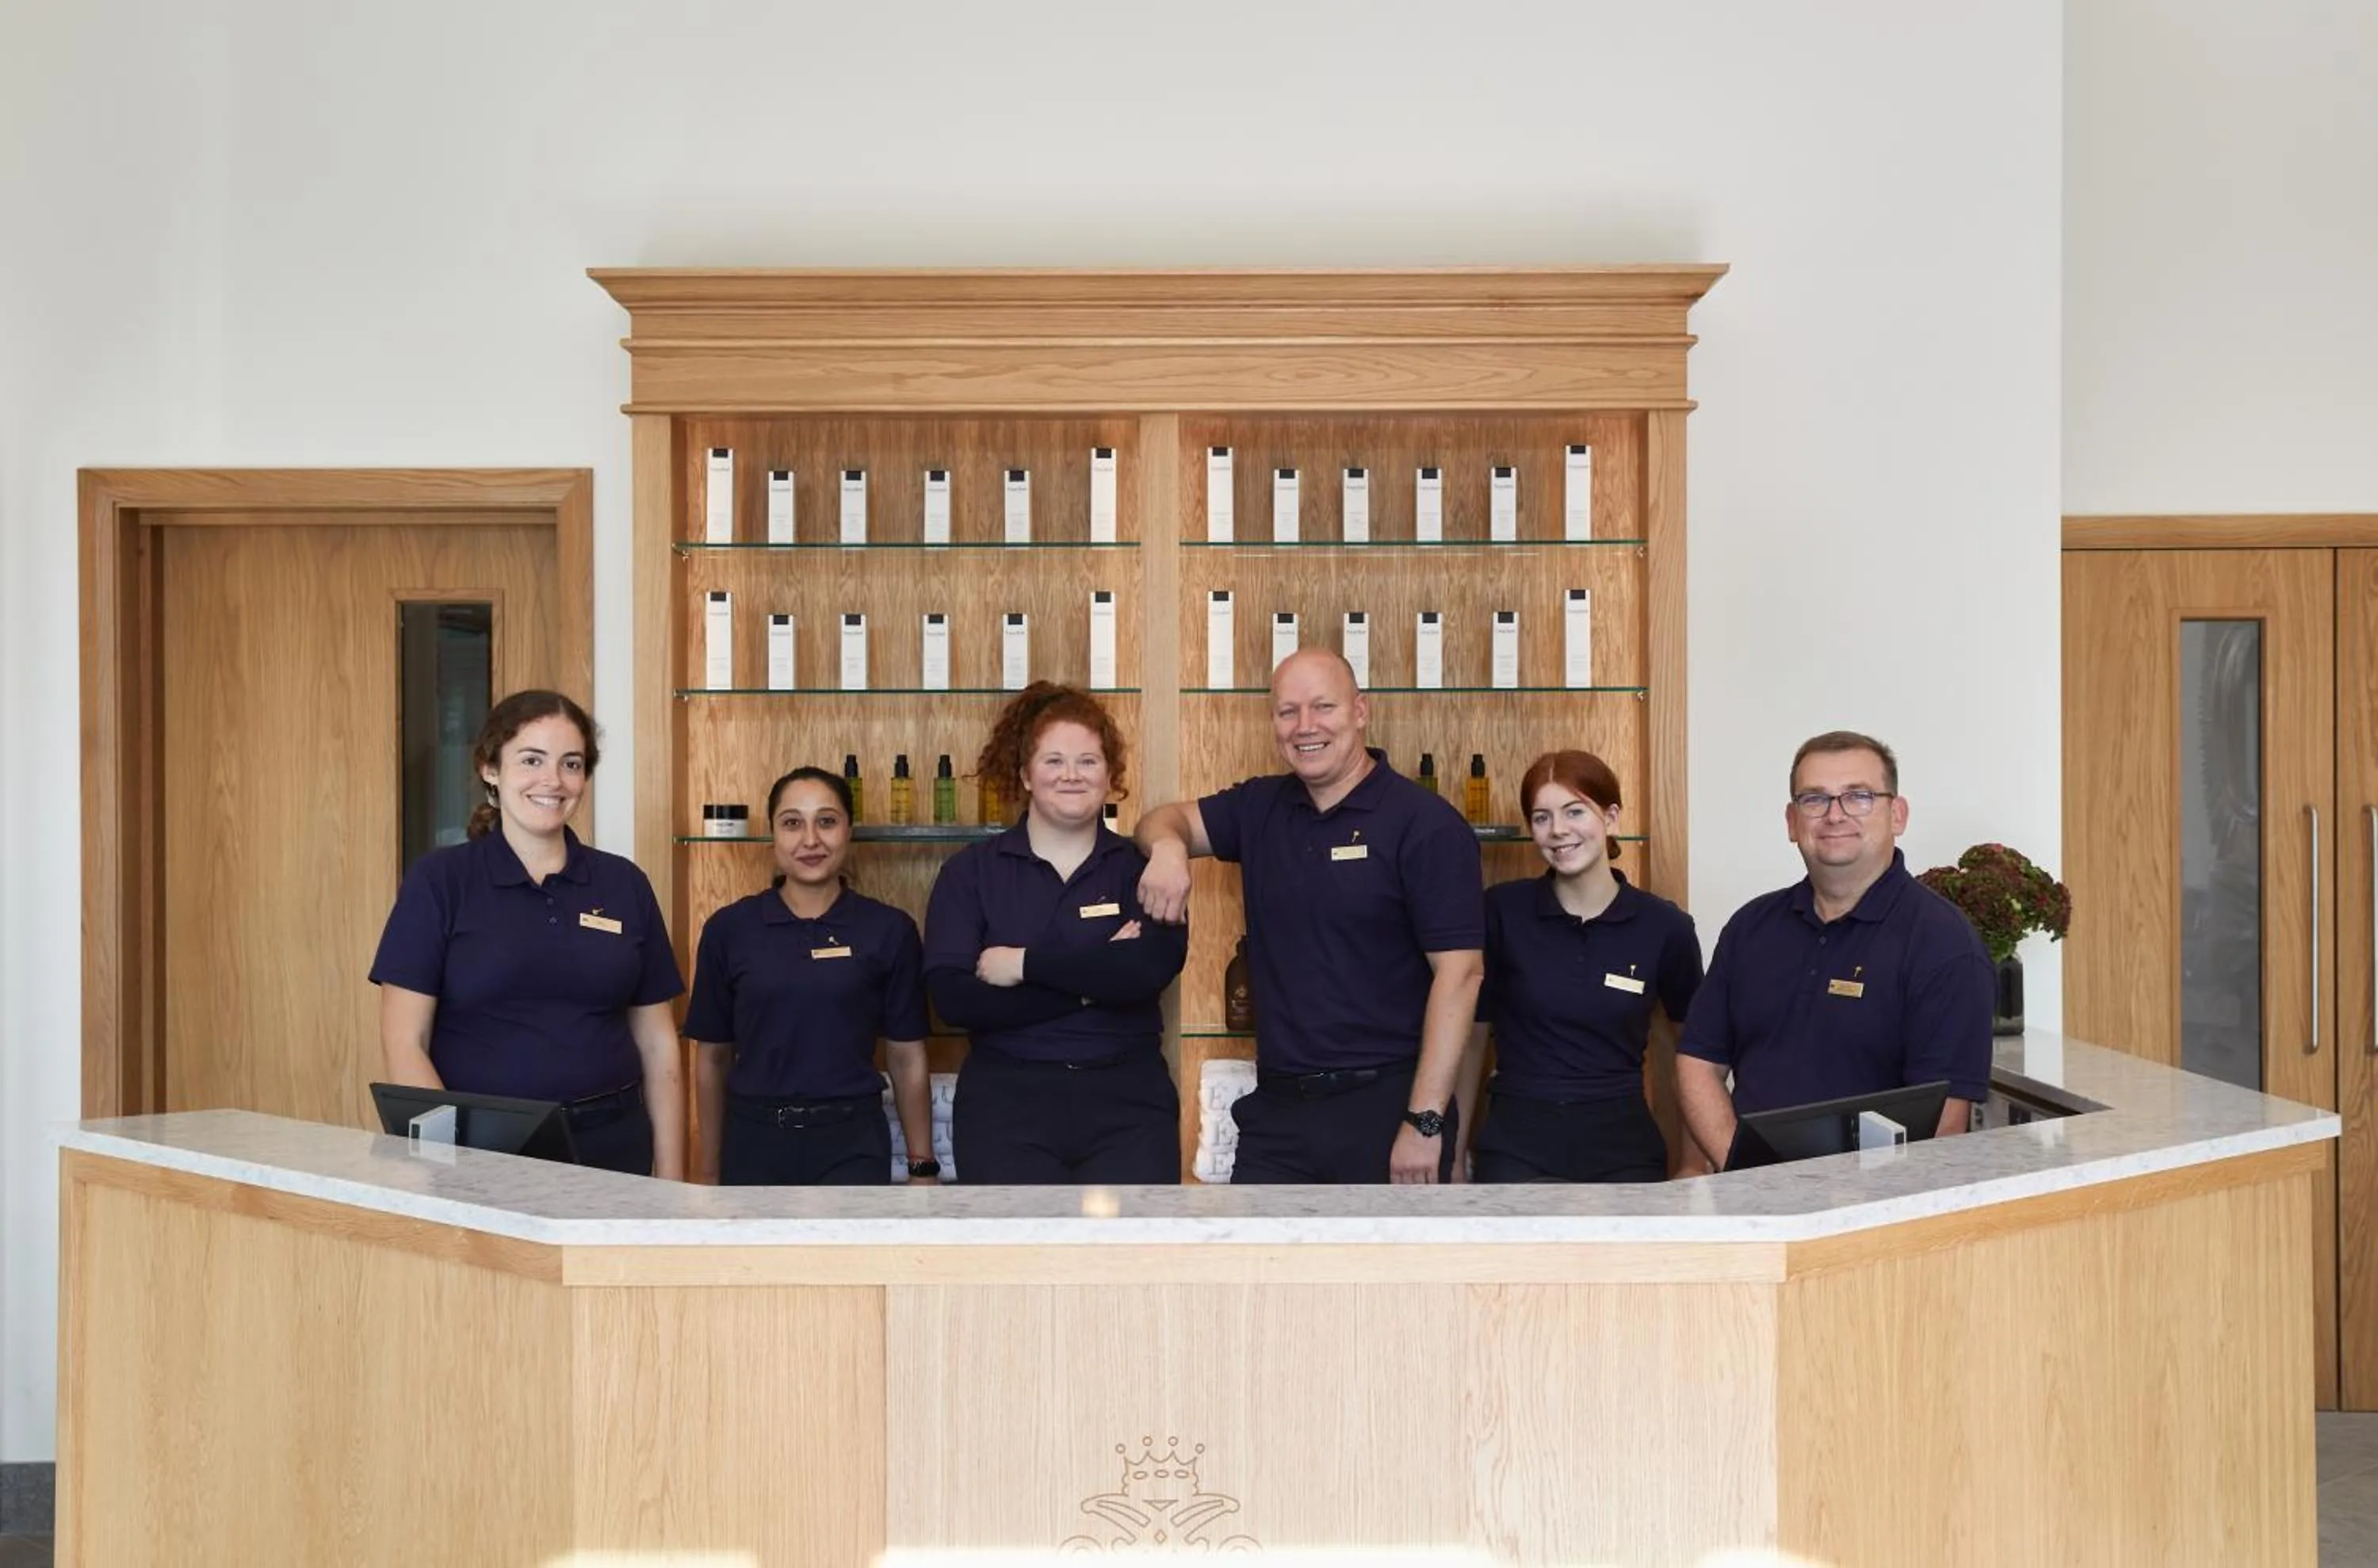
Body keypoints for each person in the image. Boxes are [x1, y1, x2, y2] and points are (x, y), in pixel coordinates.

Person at [1136, 648, 1484, 1184]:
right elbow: (1163, 819)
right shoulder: (1260, 807)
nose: (1305, 727)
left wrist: (1425, 1122)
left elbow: (1461, 974)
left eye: (1323, 707)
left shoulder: (1426, 825)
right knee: (1262, 1268)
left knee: (1390, 1272)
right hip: (1279, 1114)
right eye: (1287, 712)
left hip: (1388, 1110)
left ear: (1360, 712)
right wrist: (1166, 850)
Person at [372, 690, 686, 1178]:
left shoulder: (624, 884)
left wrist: (671, 1178)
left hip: (612, 1146)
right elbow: (404, 1039)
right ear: (490, 769)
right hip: (483, 1151)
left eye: (571, 764)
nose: (553, 781)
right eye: (531, 760)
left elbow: (659, 1044)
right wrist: (446, 1164)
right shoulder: (441, 881)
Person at [1676, 729, 1994, 1169]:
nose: (1835, 815)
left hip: (1873, 1214)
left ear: (1897, 814)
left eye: (1859, 796)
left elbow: (1944, 1124)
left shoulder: (1945, 945)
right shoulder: (1751, 928)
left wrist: (1840, 1205)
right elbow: (1699, 1061)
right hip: (1752, 1199)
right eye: (1815, 799)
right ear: (1792, 821)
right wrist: (1741, 1168)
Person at [923, 683, 1187, 1184]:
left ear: (1110, 775)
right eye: (1053, 761)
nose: (1071, 775)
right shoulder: (971, 873)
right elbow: (955, 1001)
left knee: (1131, 1258)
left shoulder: (1144, 869)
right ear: (1025, 774)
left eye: (1088, 761)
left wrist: (1024, 965)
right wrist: (1093, 985)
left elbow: (1147, 970)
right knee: (1021, 1262)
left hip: (1129, 1108)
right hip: (1006, 1108)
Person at [684, 767, 936, 1186]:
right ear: (772, 835)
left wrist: (922, 1166)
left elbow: (907, 1056)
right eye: (792, 824)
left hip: (853, 1141)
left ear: (849, 831)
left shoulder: (889, 930)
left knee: (849, 1255)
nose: (810, 840)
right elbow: (712, 1058)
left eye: (826, 821)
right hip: (753, 1141)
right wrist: (709, 1170)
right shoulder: (729, 929)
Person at [1461, 751, 1701, 1183]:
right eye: (1541, 817)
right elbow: (1472, 1040)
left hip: (1624, 1147)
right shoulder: (1501, 912)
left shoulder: (1665, 927)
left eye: (1575, 811)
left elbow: (1697, 1054)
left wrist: (1693, 1162)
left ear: (1610, 817)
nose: (1558, 831)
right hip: (1517, 1145)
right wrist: (1452, 1151)